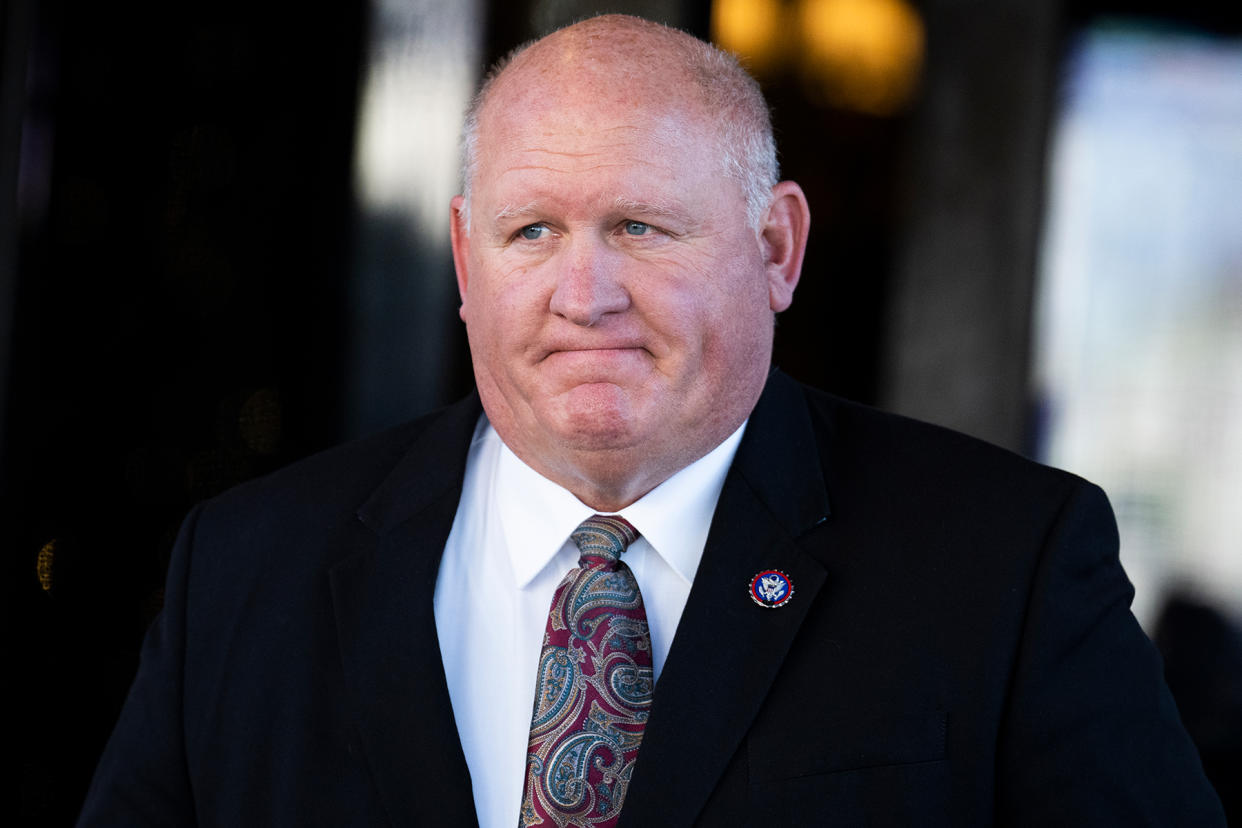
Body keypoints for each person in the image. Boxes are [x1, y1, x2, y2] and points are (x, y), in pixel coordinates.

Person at [78, 14, 1224, 827]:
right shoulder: (245, 570)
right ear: (466, 259)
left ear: (776, 247)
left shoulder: (1003, 569)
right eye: (532, 233)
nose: (585, 295)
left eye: (639, 227)